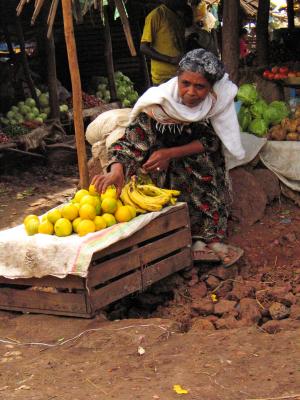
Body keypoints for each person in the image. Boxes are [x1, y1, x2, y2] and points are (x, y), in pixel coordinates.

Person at [92, 49, 245, 266]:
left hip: (200, 160)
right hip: (164, 169)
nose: (190, 92)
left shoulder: (216, 102)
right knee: (167, 190)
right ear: (177, 80)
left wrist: (170, 153)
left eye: (199, 86)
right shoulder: (160, 103)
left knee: (206, 173)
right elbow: (132, 141)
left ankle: (209, 239)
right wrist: (116, 170)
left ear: (211, 87)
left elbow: (213, 142)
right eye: (185, 83)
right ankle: (187, 239)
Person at [140, 0, 187, 85]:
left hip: (179, 74)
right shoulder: (156, 15)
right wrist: (170, 60)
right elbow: (144, 48)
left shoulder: (178, 16)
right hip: (163, 78)